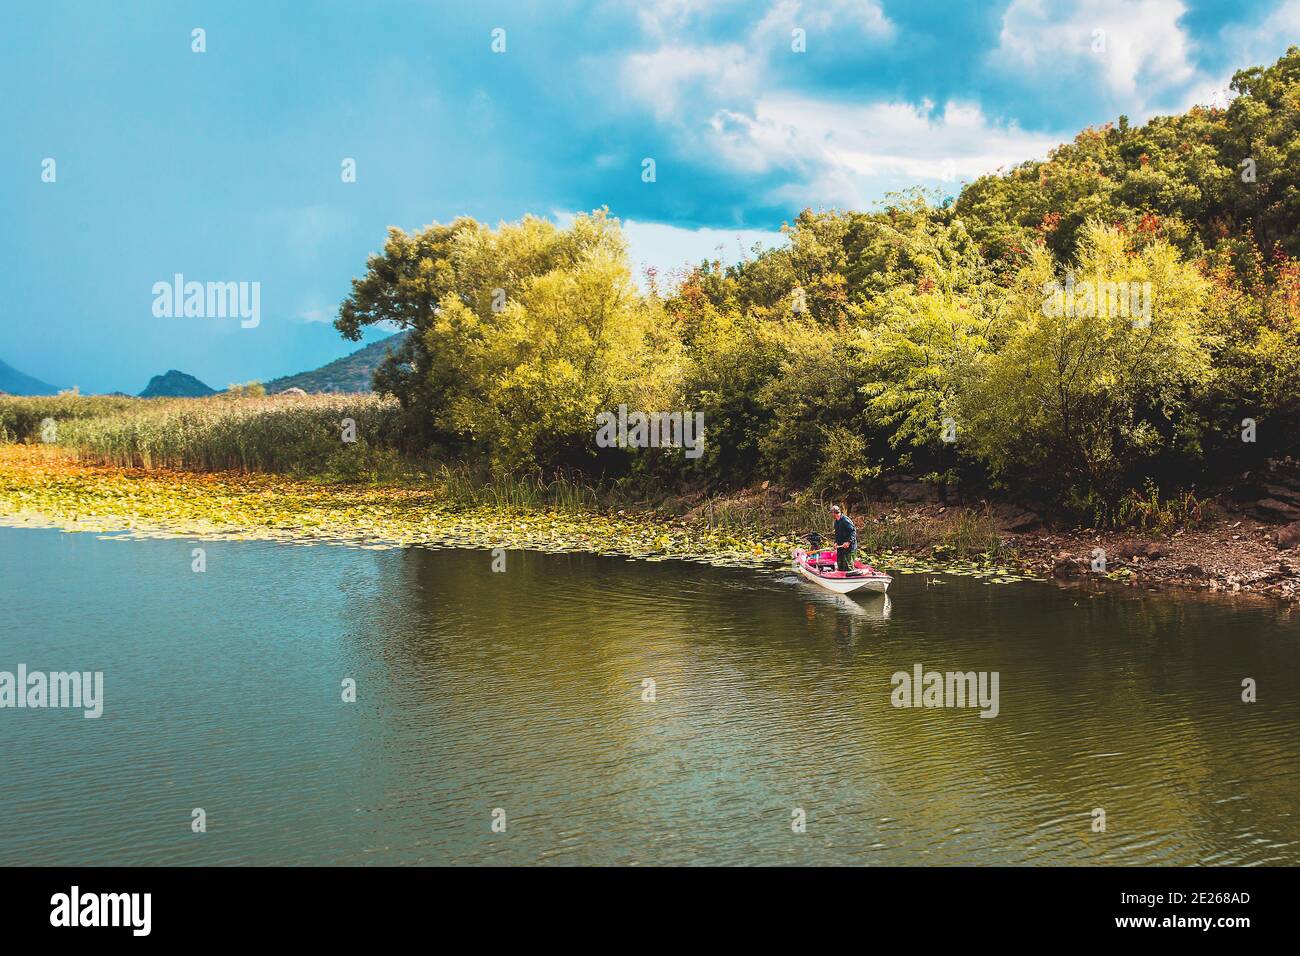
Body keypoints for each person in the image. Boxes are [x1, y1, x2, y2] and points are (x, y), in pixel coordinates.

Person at [830, 504, 857, 571]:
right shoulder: (836, 522)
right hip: (840, 545)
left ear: (834, 513)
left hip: (848, 546)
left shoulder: (845, 520)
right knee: (840, 563)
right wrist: (836, 542)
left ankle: (850, 577)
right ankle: (841, 576)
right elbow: (837, 534)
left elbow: (853, 531)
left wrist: (848, 542)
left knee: (847, 564)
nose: (831, 515)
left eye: (832, 513)